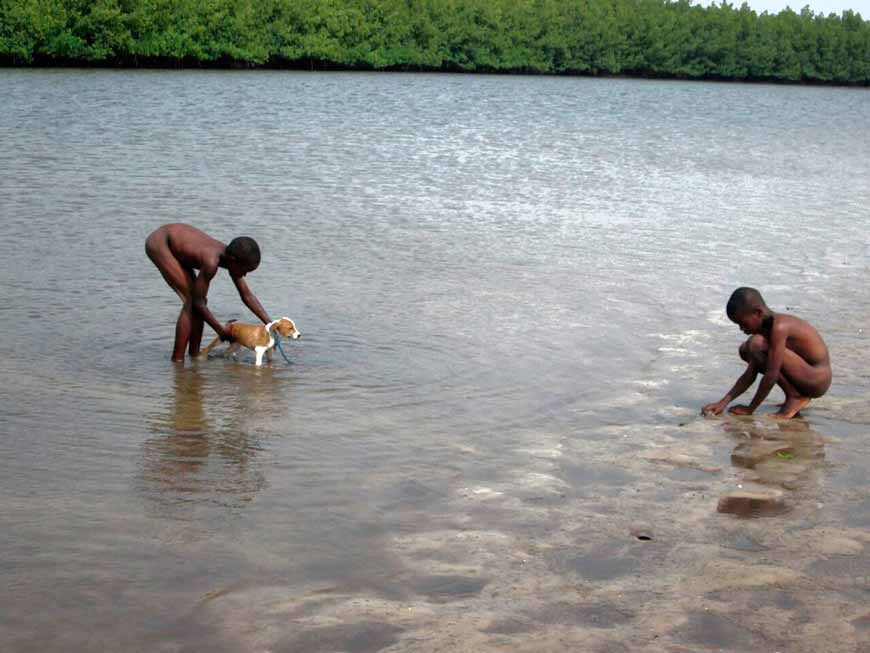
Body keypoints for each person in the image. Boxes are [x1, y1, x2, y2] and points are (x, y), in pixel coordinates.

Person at [145, 224, 271, 362]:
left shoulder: (233, 258)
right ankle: (177, 360)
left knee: (199, 302)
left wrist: (271, 324)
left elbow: (246, 295)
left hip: (179, 247)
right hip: (161, 243)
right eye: (244, 270)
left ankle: (194, 355)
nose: (244, 275)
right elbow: (197, 303)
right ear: (234, 262)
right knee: (191, 301)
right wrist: (220, 330)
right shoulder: (211, 261)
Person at [702, 287, 831, 420]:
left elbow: (772, 375)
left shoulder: (779, 327)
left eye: (743, 323)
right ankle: (794, 394)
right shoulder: (766, 330)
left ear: (758, 313)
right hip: (805, 374)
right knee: (746, 350)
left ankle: (796, 397)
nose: (741, 329)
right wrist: (723, 402)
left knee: (755, 344)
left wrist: (751, 408)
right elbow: (749, 374)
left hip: (817, 379)